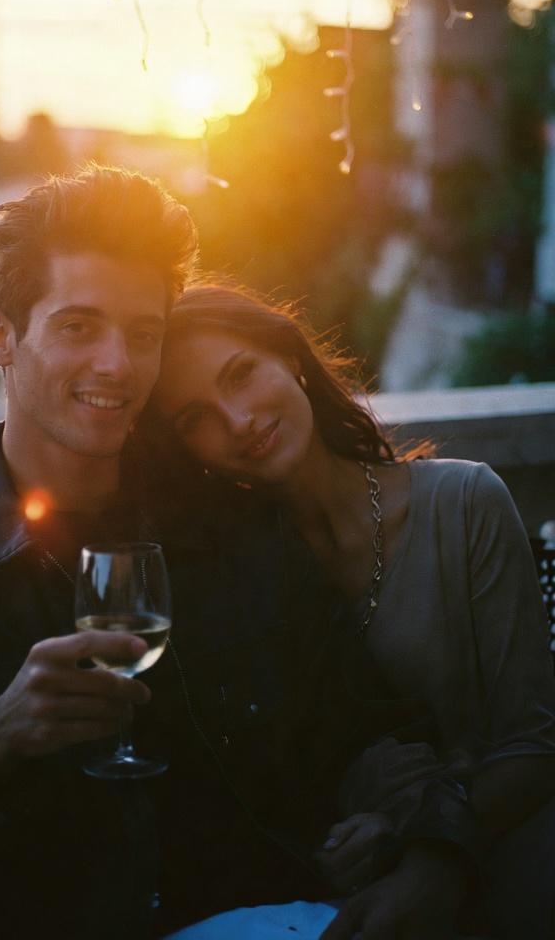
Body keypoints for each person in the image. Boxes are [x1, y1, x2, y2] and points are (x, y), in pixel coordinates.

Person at [0, 167, 475, 940]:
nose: (118, 364)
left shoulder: (236, 529)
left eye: (142, 334)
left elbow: (366, 725)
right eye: (79, 327)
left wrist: (429, 853)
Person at [139, 278, 555, 937]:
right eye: (196, 418)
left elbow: (535, 743)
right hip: (344, 886)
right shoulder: (233, 573)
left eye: (242, 374)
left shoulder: (464, 503)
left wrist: (430, 854)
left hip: (501, 855)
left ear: (291, 359)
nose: (238, 419)